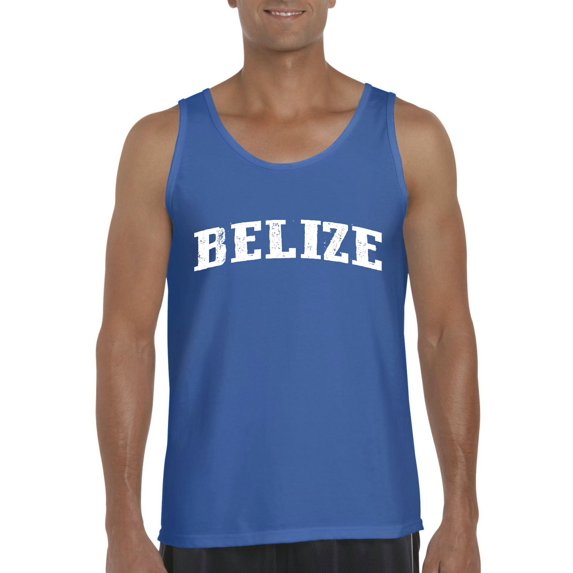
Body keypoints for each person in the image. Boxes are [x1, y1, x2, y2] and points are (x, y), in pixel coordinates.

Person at [96, 1, 481, 572]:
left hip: (371, 517)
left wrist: (463, 517)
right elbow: (126, 340)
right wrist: (122, 526)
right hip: (210, 522)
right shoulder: (162, 145)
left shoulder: (410, 140)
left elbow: (446, 335)